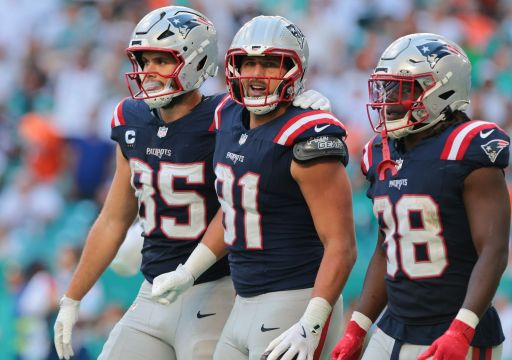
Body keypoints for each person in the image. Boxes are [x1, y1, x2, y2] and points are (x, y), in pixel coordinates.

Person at [52, 6, 332, 360]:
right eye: (143, 60)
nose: (148, 72)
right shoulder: (130, 118)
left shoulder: (228, 116)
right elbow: (113, 218)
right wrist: (73, 297)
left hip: (215, 287)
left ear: (197, 62)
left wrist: (297, 107)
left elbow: (272, 120)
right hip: (153, 288)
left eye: (162, 60)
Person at [150, 15, 357, 360]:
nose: (257, 75)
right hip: (243, 302)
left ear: (294, 69)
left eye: (270, 64)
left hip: (295, 300)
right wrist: (188, 271)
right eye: (249, 63)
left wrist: (312, 322)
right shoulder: (228, 115)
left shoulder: (309, 133)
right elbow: (235, 210)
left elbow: (342, 244)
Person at [330, 33, 510, 360]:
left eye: (402, 89)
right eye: (386, 88)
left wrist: (462, 329)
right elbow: (389, 248)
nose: (388, 100)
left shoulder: (467, 148)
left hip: (453, 328)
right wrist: (358, 326)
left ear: (443, 89)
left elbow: (494, 250)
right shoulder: (379, 152)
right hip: (393, 326)